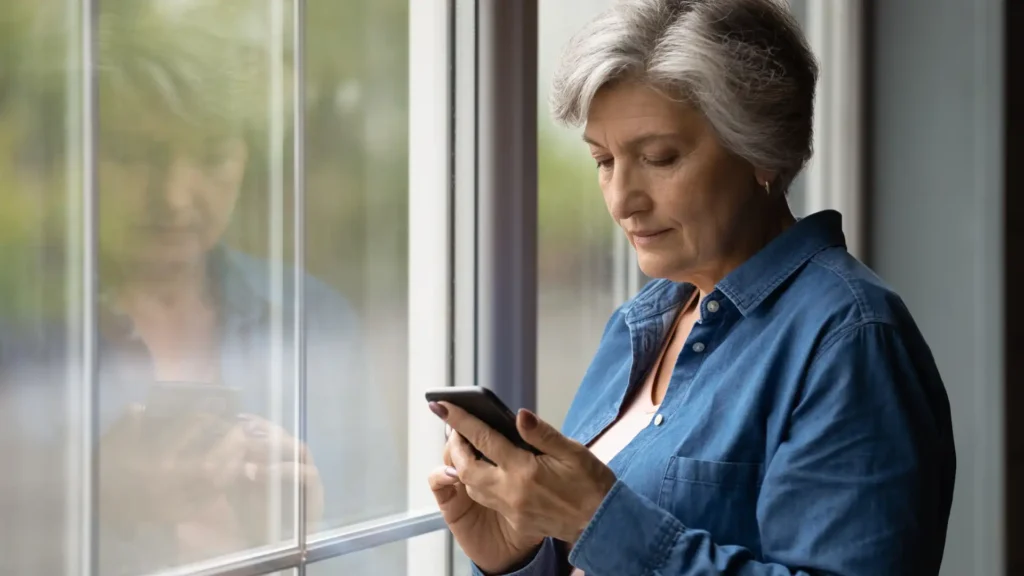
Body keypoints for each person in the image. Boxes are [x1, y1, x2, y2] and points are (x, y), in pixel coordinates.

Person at [428, 0, 956, 575]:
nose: (622, 199)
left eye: (658, 157)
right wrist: (521, 555)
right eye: (604, 161)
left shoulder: (850, 340)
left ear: (760, 152)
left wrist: (593, 521)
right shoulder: (637, 326)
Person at [0, 3, 402, 574]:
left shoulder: (313, 317)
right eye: (135, 154)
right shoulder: (17, 327)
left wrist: (305, 540)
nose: (175, 196)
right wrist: (87, 503)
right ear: (75, 153)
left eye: (212, 155)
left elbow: (384, 553)